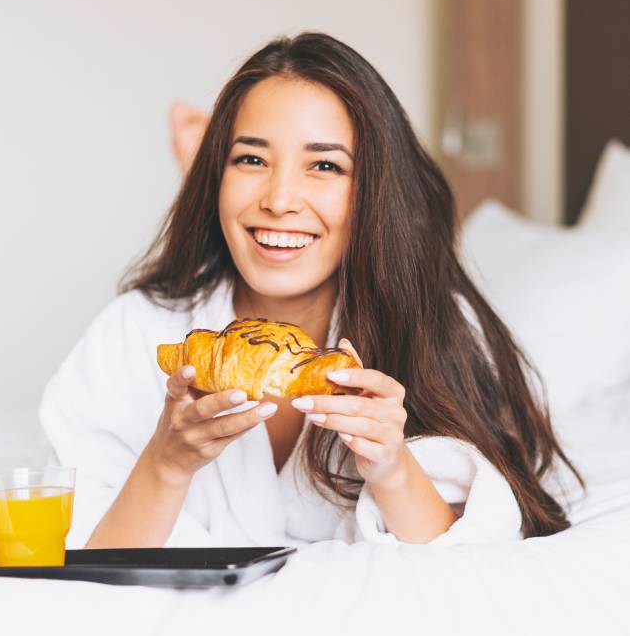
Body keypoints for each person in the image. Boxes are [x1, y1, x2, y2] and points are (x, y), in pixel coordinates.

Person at [39, 32, 584, 548]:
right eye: (250, 159)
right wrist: (167, 461)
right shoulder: (137, 330)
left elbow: (476, 557)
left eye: (324, 165)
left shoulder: (432, 330)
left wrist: (391, 466)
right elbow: (85, 557)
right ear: (215, 176)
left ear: (374, 189)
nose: (280, 198)